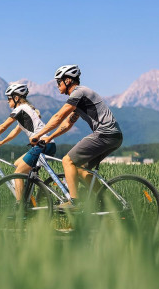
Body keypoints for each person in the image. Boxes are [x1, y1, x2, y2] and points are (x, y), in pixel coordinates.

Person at [30, 65, 123, 209]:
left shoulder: (79, 93)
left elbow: (59, 116)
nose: (57, 85)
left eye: (59, 82)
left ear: (68, 81)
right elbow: (67, 123)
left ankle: (74, 202)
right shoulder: (81, 99)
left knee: (67, 161)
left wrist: (38, 134)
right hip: (113, 136)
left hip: (105, 133)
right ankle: (109, 204)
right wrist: (49, 137)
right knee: (81, 169)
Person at [0, 83, 56, 200]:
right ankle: (33, 193)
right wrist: (1, 142)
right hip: (48, 145)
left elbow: (3, 126)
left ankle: (21, 208)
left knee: (17, 175)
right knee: (17, 163)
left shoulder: (20, 109)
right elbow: (15, 131)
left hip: (42, 145)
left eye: (9, 98)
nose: (7, 101)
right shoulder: (27, 110)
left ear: (16, 98)